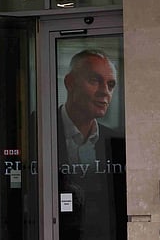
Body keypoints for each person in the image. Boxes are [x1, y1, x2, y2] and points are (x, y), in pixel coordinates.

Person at [57, 49, 126, 240]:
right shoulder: (38, 131)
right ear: (70, 83)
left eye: (111, 85)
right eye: (94, 81)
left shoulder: (115, 140)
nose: (105, 91)